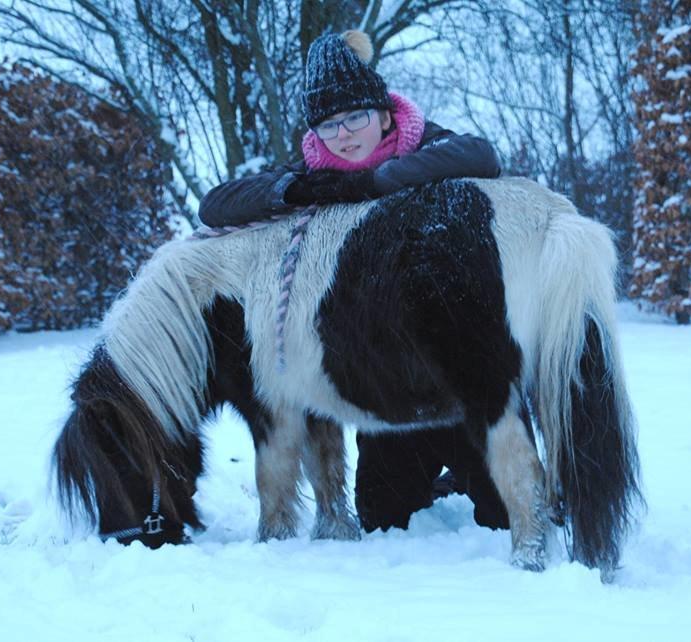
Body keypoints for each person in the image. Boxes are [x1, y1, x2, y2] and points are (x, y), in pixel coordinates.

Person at [198, 29, 509, 532]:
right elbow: (215, 206)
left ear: (384, 114)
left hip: (462, 386)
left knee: (503, 514)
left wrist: (373, 182)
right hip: (384, 394)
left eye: (355, 118)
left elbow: (482, 156)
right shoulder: (315, 170)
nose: (343, 135)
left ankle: (480, 471)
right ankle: (436, 479)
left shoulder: (425, 142)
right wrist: (295, 188)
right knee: (380, 517)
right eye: (328, 125)